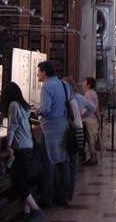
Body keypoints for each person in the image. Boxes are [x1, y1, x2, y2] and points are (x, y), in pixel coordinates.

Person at [2, 82, 46, 221]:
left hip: (20, 147)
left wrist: (8, 145)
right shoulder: (23, 106)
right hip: (28, 145)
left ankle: (36, 210)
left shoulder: (13, 105)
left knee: (18, 181)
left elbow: (12, 127)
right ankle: (27, 211)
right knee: (25, 179)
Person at [37, 60, 71, 207]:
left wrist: (38, 111)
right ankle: (63, 196)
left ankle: (46, 197)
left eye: (39, 71)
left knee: (48, 162)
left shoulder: (47, 86)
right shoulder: (64, 84)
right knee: (63, 161)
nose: (38, 74)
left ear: (44, 72)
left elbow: (45, 109)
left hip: (50, 128)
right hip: (63, 126)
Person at [62, 77, 95, 198]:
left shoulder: (71, 99)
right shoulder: (78, 97)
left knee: (69, 159)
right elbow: (92, 108)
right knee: (74, 160)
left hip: (72, 131)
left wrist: (81, 117)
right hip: (79, 128)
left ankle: (67, 191)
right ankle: (70, 190)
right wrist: (83, 117)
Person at [83, 77, 100, 165]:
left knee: (91, 138)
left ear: (88, 85)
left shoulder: (89, 93)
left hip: (90, 119)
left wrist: (82, 114)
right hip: (91, 118)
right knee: (90, 138)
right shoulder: (91, 93)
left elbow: (91, 107)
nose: (83, 84)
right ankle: (92, 157)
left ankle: (93, 158)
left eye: (85, 82)